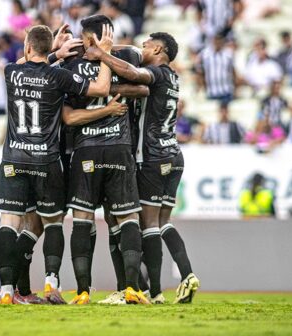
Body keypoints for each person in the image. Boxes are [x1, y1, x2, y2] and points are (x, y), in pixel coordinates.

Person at [0, 24, 119, 305]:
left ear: (27, 47)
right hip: (47, 161)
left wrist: (52, 50)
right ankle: (52, 283)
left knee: (9, 223)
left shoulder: (11, 71)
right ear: (47, 46)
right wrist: (107, 54)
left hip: (14, 158)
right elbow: (101, 87)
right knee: (52, 224)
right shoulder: (58, 76)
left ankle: (5, 291)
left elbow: (28, 60)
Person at [86, 30, 201, 304]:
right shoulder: (173, 78)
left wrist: (102, 55)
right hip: (173, 155)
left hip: (152, 157)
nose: (142, 49)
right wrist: (108, 47)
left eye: (147, 46)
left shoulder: (158, 73)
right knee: (163, 222)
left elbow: (136, 75)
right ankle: (186, 275)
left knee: (148, 224)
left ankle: (156, 291)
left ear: (159, 51)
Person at [61, 15, 150, 305]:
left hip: (86, 149)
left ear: (88, 38)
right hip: (119, 147)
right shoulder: (124, 58)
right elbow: (141, 86)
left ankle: (83, 292)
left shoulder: (71, 66)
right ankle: (133, 289)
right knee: (128, 218)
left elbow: (69, 118)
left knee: (83, 220)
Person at [197, 34, 236, 104]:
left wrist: (235, 87)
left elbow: (233, 72)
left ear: (222, 41)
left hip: (226, 90)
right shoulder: (205, 54)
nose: (217, 43)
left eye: (219, 40)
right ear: (213, 41)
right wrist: (202, 86)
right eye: (216, 40)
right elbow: (200, 71)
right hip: (211, 91)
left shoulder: (228, 54)